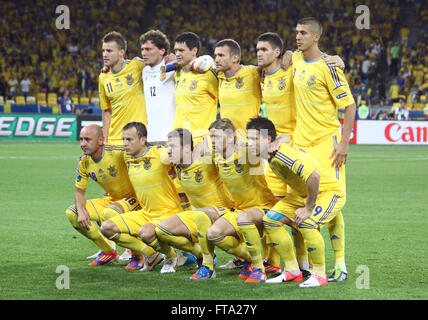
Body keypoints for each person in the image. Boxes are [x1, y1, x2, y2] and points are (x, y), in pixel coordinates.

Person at [292, 17, 356, 282]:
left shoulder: (330, 67)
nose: (298, 36)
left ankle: (338, 265)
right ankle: (304, 265)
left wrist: (344, 142)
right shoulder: (294, 59)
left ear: (316, 37)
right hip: (301, 146)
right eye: (296, 32)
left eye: (304, 33)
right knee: (310, 203)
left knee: (327, 204)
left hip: (326, 145)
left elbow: (350, 105)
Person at [246, 117, 345, 287]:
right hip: (302, 195)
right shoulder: (271, 156)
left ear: (268, 139)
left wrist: (308, 208)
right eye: (249, 139)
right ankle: (292, 271)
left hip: (329, 192)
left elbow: (314, 176)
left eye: (254, 139)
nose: (250, 143)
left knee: (307, 222)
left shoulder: (283, 155)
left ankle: (319, 274)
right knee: (271, 220)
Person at [100, 122, 183, 273]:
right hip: (146, 213)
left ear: (143, 140)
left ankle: (171, 256)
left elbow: (183, 159)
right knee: (106, 228)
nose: (125, 143)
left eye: (129, 139)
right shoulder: (126, 156)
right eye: (123, 139)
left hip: (168, 213)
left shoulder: (161, 154)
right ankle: (151, 254)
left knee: (146, 233)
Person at [206, 118, 281, 282]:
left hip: (265, 206)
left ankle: (258, 268)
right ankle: (248, 259)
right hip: (240, 209)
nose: (212, 141)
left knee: (244, 218)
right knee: (212, 233)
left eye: (216, 137)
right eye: (210, 137)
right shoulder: (214, 156)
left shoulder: (248, 151)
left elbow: (270, 147)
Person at [158, 128, 236, 279]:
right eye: (168, 147)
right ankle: (200, 254)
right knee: (161, 230)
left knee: (206, 220)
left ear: (187, 148)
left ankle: (245, 259)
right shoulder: (177, 166)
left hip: (224, 213)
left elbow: (228, 152)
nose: (168, 151)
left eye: (172, 146)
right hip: (200, 216)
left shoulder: (207, 160)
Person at [65, 124, 141, 267]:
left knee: (110, 212)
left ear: (101, 140)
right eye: (81, 139)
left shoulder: (118, 152)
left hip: (134, 199)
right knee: (72, 213)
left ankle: (138, 255)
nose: (83, 144)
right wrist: (81, 212)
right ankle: (108, 251)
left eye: (87, 139)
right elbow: (79, 192)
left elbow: (143, 154)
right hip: (113, 199)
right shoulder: (84, 162)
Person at [98, 31, 147, 145]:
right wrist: (105, 139)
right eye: (103, 50)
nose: (105, 54)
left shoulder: (137, 66)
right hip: (114, 140)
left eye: (109, 51)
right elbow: (106, 110)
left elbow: (157, 62)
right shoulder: (103, 77)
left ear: (121, 52)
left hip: (137, 138)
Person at [173, 32, 218, 143]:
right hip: (179, 140)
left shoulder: (209, 74)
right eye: (176, 50)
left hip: (201, 140)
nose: (177, 54)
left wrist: (209, 60)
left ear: (194, 51)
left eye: (181, 50)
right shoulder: (177, 74)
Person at [214, 39, 261, 137]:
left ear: (235, 58)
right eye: (216, 55)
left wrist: (288, 54)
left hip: (249, 141)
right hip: (228, 142)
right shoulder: (218, 76)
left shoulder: (253, 73)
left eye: (221, 55)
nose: (216, 59)